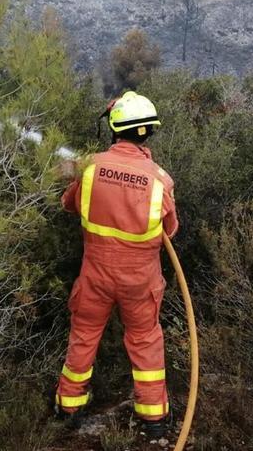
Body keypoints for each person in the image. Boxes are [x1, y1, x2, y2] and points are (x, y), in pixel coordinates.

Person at [55, 91, 178, 439]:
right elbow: (169, 229)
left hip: (94, 275)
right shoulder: (159, 180)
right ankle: (154, 418)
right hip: (140, 281)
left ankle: (68, 406)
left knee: (84, 335)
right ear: (148, 132)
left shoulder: (89, 167)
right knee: (144, 339)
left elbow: (70, 204)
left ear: (113, 128)